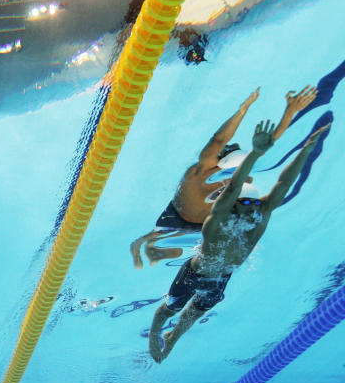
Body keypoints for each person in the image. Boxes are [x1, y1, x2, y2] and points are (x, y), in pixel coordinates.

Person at [148, 121, 330, 363]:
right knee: (170, 309)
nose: (254, 208)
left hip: (221, 279)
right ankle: (154, 333)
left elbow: (283, 184)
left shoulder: (260, 216)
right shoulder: (216, 221)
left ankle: (173, 338)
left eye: (255, 203)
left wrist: (305, 152)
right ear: (234, 203)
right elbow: (233, 187)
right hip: (194, 273)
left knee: (195, 313)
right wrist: (255, 153)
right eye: (247, 203)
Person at [131, 85, 318, 268]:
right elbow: (220, 140)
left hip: (197, 224)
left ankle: (146, 245)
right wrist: (246, 110)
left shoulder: (234, 176)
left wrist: (288, 111)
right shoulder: (202, 169)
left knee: (176, 250)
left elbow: (263, 144)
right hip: (181, 218)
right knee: (167, 247)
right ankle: (142, 244)